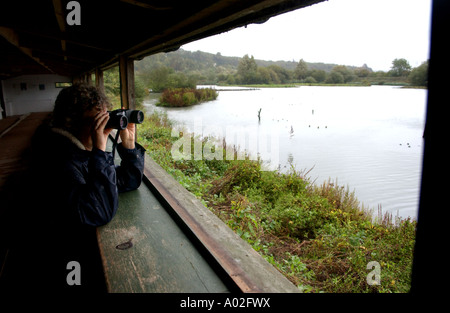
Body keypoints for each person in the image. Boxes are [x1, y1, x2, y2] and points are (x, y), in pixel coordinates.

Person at [1, 83, 145, 292]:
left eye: (105, 119)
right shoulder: (59, 158)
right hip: (53, 256)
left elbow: (125, 181)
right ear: (72, 123)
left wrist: (129, 145)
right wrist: (99, 150)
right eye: (97, 121)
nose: (103, 126)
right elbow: (99, 212)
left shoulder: (75, 150)